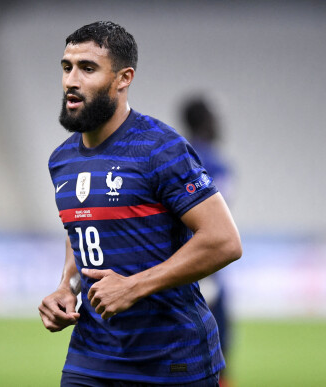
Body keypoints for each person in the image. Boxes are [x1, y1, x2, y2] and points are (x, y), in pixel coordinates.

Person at [38, 21, 242, 387]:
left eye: (87, 68)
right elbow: (81, 227)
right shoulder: (61, 160)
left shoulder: (159, 148)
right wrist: (65, 286)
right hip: (91, 357)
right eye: (66, 67)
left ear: (122, 78)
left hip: (170, 360)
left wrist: (133, 286)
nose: (71, 80)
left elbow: (223, 240)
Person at [181, 97, 235, 387]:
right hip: (206, 267)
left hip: (175, 260)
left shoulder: (176, 155)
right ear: (205, 121)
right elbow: (219, 219)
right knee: (216, 354)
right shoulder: (215, 162)